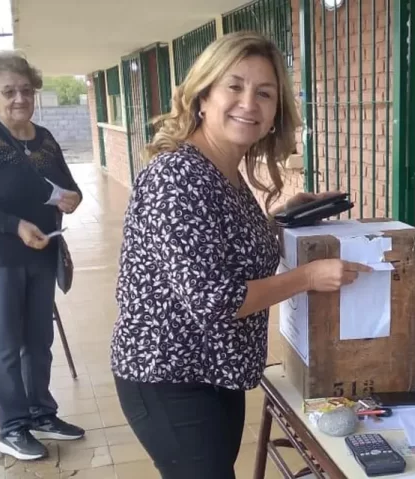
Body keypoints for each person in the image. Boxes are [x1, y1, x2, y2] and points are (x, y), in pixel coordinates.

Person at [111, 31, 372, 479]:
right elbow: (215, 299)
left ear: (274, 114)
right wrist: (309, 277)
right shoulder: (177, 176)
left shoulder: (222, 171)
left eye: (264, 93)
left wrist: (284, 216)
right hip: (169, 376)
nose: (248, 103)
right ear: (203, 97)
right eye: (234, 86)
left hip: (215, 371)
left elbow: (218, 246)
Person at [0, 51, 86, 461]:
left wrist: (73, 197)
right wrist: (14, 225)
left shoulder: (44, 139)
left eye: (26, 90)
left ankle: (41, 414)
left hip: (41, 254)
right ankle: (12, 427)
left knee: (38, 340)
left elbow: (68, 185)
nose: (20, 98)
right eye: (9, 92)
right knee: (5, 343)